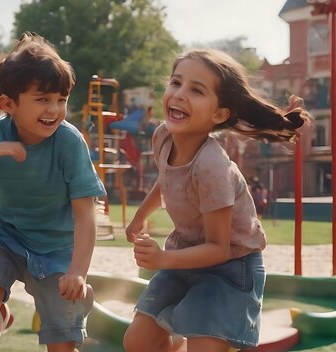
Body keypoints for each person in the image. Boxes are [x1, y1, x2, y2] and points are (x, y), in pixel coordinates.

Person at [122, 49, 309, 352]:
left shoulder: (212, 167)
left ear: (219, 114)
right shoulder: (163, 137)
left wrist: (162, 259)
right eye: (176, 83)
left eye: (196, 90)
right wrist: (140, 216)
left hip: (231, 268)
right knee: (138, 343)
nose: (179, 94)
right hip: (187, 255)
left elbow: (219, 249)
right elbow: (167, 179)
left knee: (205, 348)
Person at [0, 32, 106, 352]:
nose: (54, 109)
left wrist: (78, 271)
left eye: (61, 99)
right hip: (7, 235)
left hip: (56, 245)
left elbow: (85, 213)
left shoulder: (69, 141)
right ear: (9, 104)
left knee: (62, 338)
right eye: (42, 99)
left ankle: (74, 304)